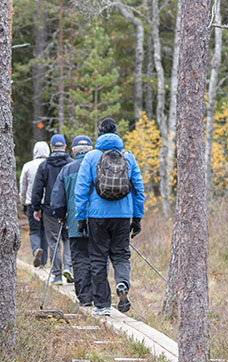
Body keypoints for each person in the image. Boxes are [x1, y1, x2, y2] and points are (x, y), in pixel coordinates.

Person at [74, 118, 145, 316]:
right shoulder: (128, 156)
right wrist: (137, 217)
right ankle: (122, 283)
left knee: (98, 258)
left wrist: (80, 218)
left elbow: (81, 190)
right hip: (123, 215)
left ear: (99, 134)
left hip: (97, 216)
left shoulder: (91, 157)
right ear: (116, 133)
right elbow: (139, 188)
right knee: (121, 255)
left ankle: (102, 305)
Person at [51, 135, 95, 305]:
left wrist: (61, 216)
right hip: (99, 222)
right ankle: (99, 296)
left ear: (74, 151)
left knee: (80, 259)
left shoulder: (67, 170)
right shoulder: (98, 166)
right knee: (98, 259)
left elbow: (57, 199)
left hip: (76, 223)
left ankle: (84, 298)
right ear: (91, 150)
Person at [32, 134, 73, 285]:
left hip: (50, 210)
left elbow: (37, 189)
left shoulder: (45, 165)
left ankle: (56, 275)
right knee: (68, 238)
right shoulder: (71, 164)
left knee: (53, 241)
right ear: (65, 147)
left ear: (51, 147)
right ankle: (68, 266)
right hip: (69, 209)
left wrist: (36, 208)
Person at [20, 141, 50, 267]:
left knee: (34, 231)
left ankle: (36, 249)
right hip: (47, 204)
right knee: (45, 232)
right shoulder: (50, 165)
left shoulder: (28, 166)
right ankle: (43, 262)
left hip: (31, 203)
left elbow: (23, 185)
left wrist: (23, 201)